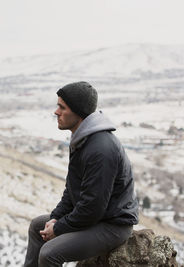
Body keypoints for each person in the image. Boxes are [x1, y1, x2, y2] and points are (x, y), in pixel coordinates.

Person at [24, 81, 139, 267]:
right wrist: (55, 218)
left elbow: (92, 207)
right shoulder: (83, 140)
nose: (56, 112)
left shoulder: (100, 149)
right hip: (95, 218)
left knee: (49, 253)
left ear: (78, 112)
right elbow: (72, 190)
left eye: (62, 107)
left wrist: (59, 228)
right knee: (39, 225)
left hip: (112, 226)